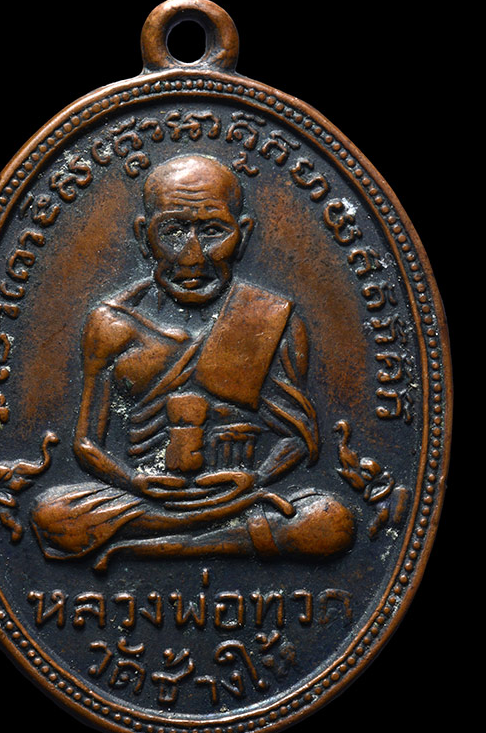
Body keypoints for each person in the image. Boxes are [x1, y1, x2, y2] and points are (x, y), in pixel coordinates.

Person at [30, 155, 354, 570]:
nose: (192, 257)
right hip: (146, 496)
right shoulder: (112, 323)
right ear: (144, 236)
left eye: (214, 231)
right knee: (52, 514)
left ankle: (147, 544)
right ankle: (218, 536)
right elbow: (87, 443)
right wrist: (135, 481)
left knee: (331, 521)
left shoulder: (269, 318)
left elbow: (298, 437)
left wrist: (255, 478)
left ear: (243, 234)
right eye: (173, 231)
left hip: (237, 490)